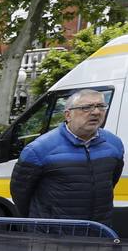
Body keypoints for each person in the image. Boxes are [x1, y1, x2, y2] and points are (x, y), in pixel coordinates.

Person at [11, 89, 124, 228]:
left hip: (99, 232)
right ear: (68, 115)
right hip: (53, 238)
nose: (96, 112)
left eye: (101, 106)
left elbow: (111, 181)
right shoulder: (38, 149)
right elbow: (21, 194)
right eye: (86, 107)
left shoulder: (114, 144)